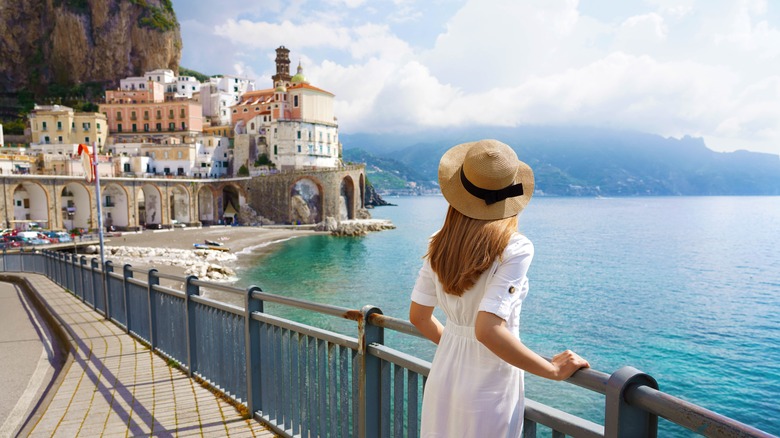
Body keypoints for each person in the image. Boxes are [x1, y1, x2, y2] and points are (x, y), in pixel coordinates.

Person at [409, 139, 589, 437]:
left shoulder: (438, 242)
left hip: (444, 376)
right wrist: (552, 371)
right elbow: (487, 330)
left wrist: (458, 346)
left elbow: (418, 317)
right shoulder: (515, 248)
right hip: (488, 386)